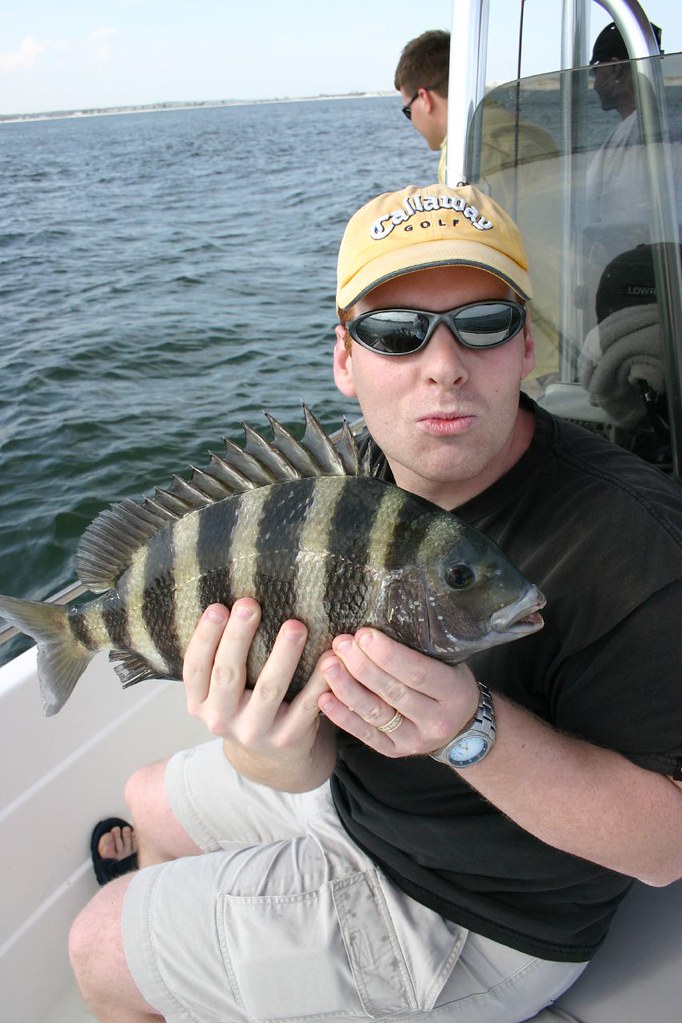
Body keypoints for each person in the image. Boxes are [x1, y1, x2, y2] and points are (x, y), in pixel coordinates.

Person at [69, 183, 682, 1023]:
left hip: (480, 909)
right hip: (368, 806)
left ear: (527, 343)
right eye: (397, 333)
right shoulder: (355, 477)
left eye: (484, 322)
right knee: (145, 796)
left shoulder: (637, 541)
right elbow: (302, 760)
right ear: (345, 361)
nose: (444, 365)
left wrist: (468, 728)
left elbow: (666, 848)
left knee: (98, 944)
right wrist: (270, 751)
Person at [394, 30, 450, 182]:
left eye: (408, 111)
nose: (412, 122)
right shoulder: (512, 123)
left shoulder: (459, 159)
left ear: (425, 99)